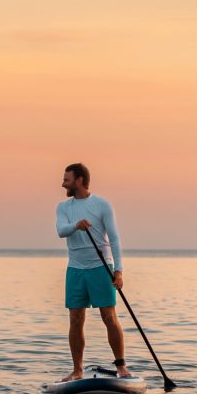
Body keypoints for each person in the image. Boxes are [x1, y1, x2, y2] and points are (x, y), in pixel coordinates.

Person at [56, 162, 130, 381]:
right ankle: (77, 370)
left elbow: (114, 238)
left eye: (66, 179)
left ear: (79, 180)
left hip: (101, 267)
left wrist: (118, 271)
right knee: (76, 320)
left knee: (109, 317)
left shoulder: (101, 204)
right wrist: (76, 225)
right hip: (76, 269)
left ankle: (121, 367)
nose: (63, 184)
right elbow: (61, 231)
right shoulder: (63, 207)